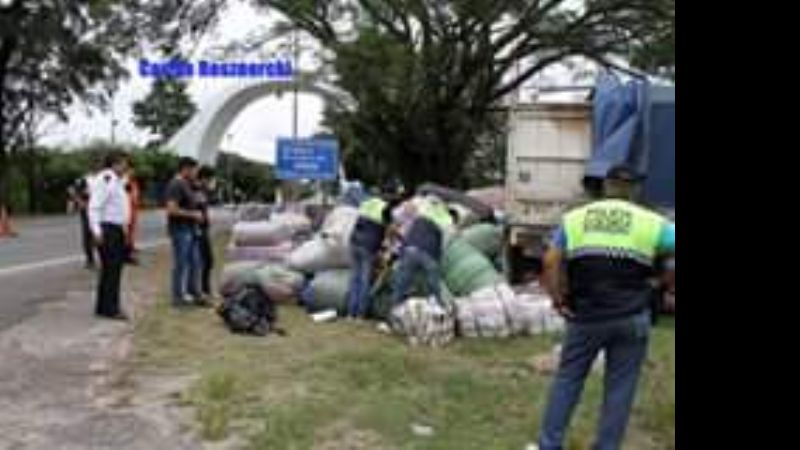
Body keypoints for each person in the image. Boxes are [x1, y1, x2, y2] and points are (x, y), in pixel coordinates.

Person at [537, 164, 675, 450]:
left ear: (606, 187)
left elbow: (550, 261)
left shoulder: (574, 219)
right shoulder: (652, 222)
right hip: (632, 316)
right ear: (634, 190)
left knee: (568, 379)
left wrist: (558, 298)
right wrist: (662, 283)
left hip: (586, 315)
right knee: (620, 387)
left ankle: (550, 444)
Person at [88, 151, 131, 320]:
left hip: (116, 229)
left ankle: (103, 306)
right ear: (115, 163)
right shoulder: (106, 179)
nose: (126, 166)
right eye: (123, 163)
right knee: (112, 271)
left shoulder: (117, 181)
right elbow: (94, 206)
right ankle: (111, 308)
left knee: (111, 270)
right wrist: (97, 231)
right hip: (108, 230)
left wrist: (124, 227)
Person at [390, 194, 454, 308]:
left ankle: (394, 312)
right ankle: (439, 309)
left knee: (401, 285)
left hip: (410, 249)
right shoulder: (446, 219)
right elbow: (446, 242)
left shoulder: (423, 210)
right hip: (428, 253)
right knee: (434, 286)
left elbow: (403, 221)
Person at [346, 189, 394, 318]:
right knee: (364, 280)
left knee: (354, 278)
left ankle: (350, 313)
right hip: (368, 246)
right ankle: (360, 314)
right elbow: (388, 230)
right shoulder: (385, 208)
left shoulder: (367, 203)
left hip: (354, 242)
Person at [165, 157, 204, 307]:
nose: (196, 173)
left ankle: (194, 293)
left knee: (195, 263)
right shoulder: (175, 184)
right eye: (194, 170)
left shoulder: (186, 184)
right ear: (185, 169)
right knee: (181, 264)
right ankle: (177, 297)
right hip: (180, 231)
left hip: (191, 230)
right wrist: (193, 214)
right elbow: (171, 209)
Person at [68, 164, 100, 269]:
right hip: (87, 209)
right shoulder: (83, 179)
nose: (97, 169)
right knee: (87, 234)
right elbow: (72, 190)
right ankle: (90, 260)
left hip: (100, 210)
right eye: (95, 166)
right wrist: (80, 202)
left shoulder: (103, 179)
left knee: (99, 233)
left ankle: (102, 258)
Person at [194, 166, 215, 302]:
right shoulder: (195, 190)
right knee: (204, 261)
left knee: (208, 261)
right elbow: (194, 209)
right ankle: (202, 290)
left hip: (204, 229)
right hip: (198, 230)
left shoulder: (204, 191)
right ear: (204, 178)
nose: (211, 182)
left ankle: (206, 288)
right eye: (210, 179)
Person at [123, 166, 141, 265]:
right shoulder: (124, 183)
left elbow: (135, 196)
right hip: (126, 212)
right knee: (126, 234)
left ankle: (129, 251)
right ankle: (127, 255)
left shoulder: (134, 182)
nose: (132, 172)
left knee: (131, 233)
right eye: (130, 170)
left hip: (133, 211)